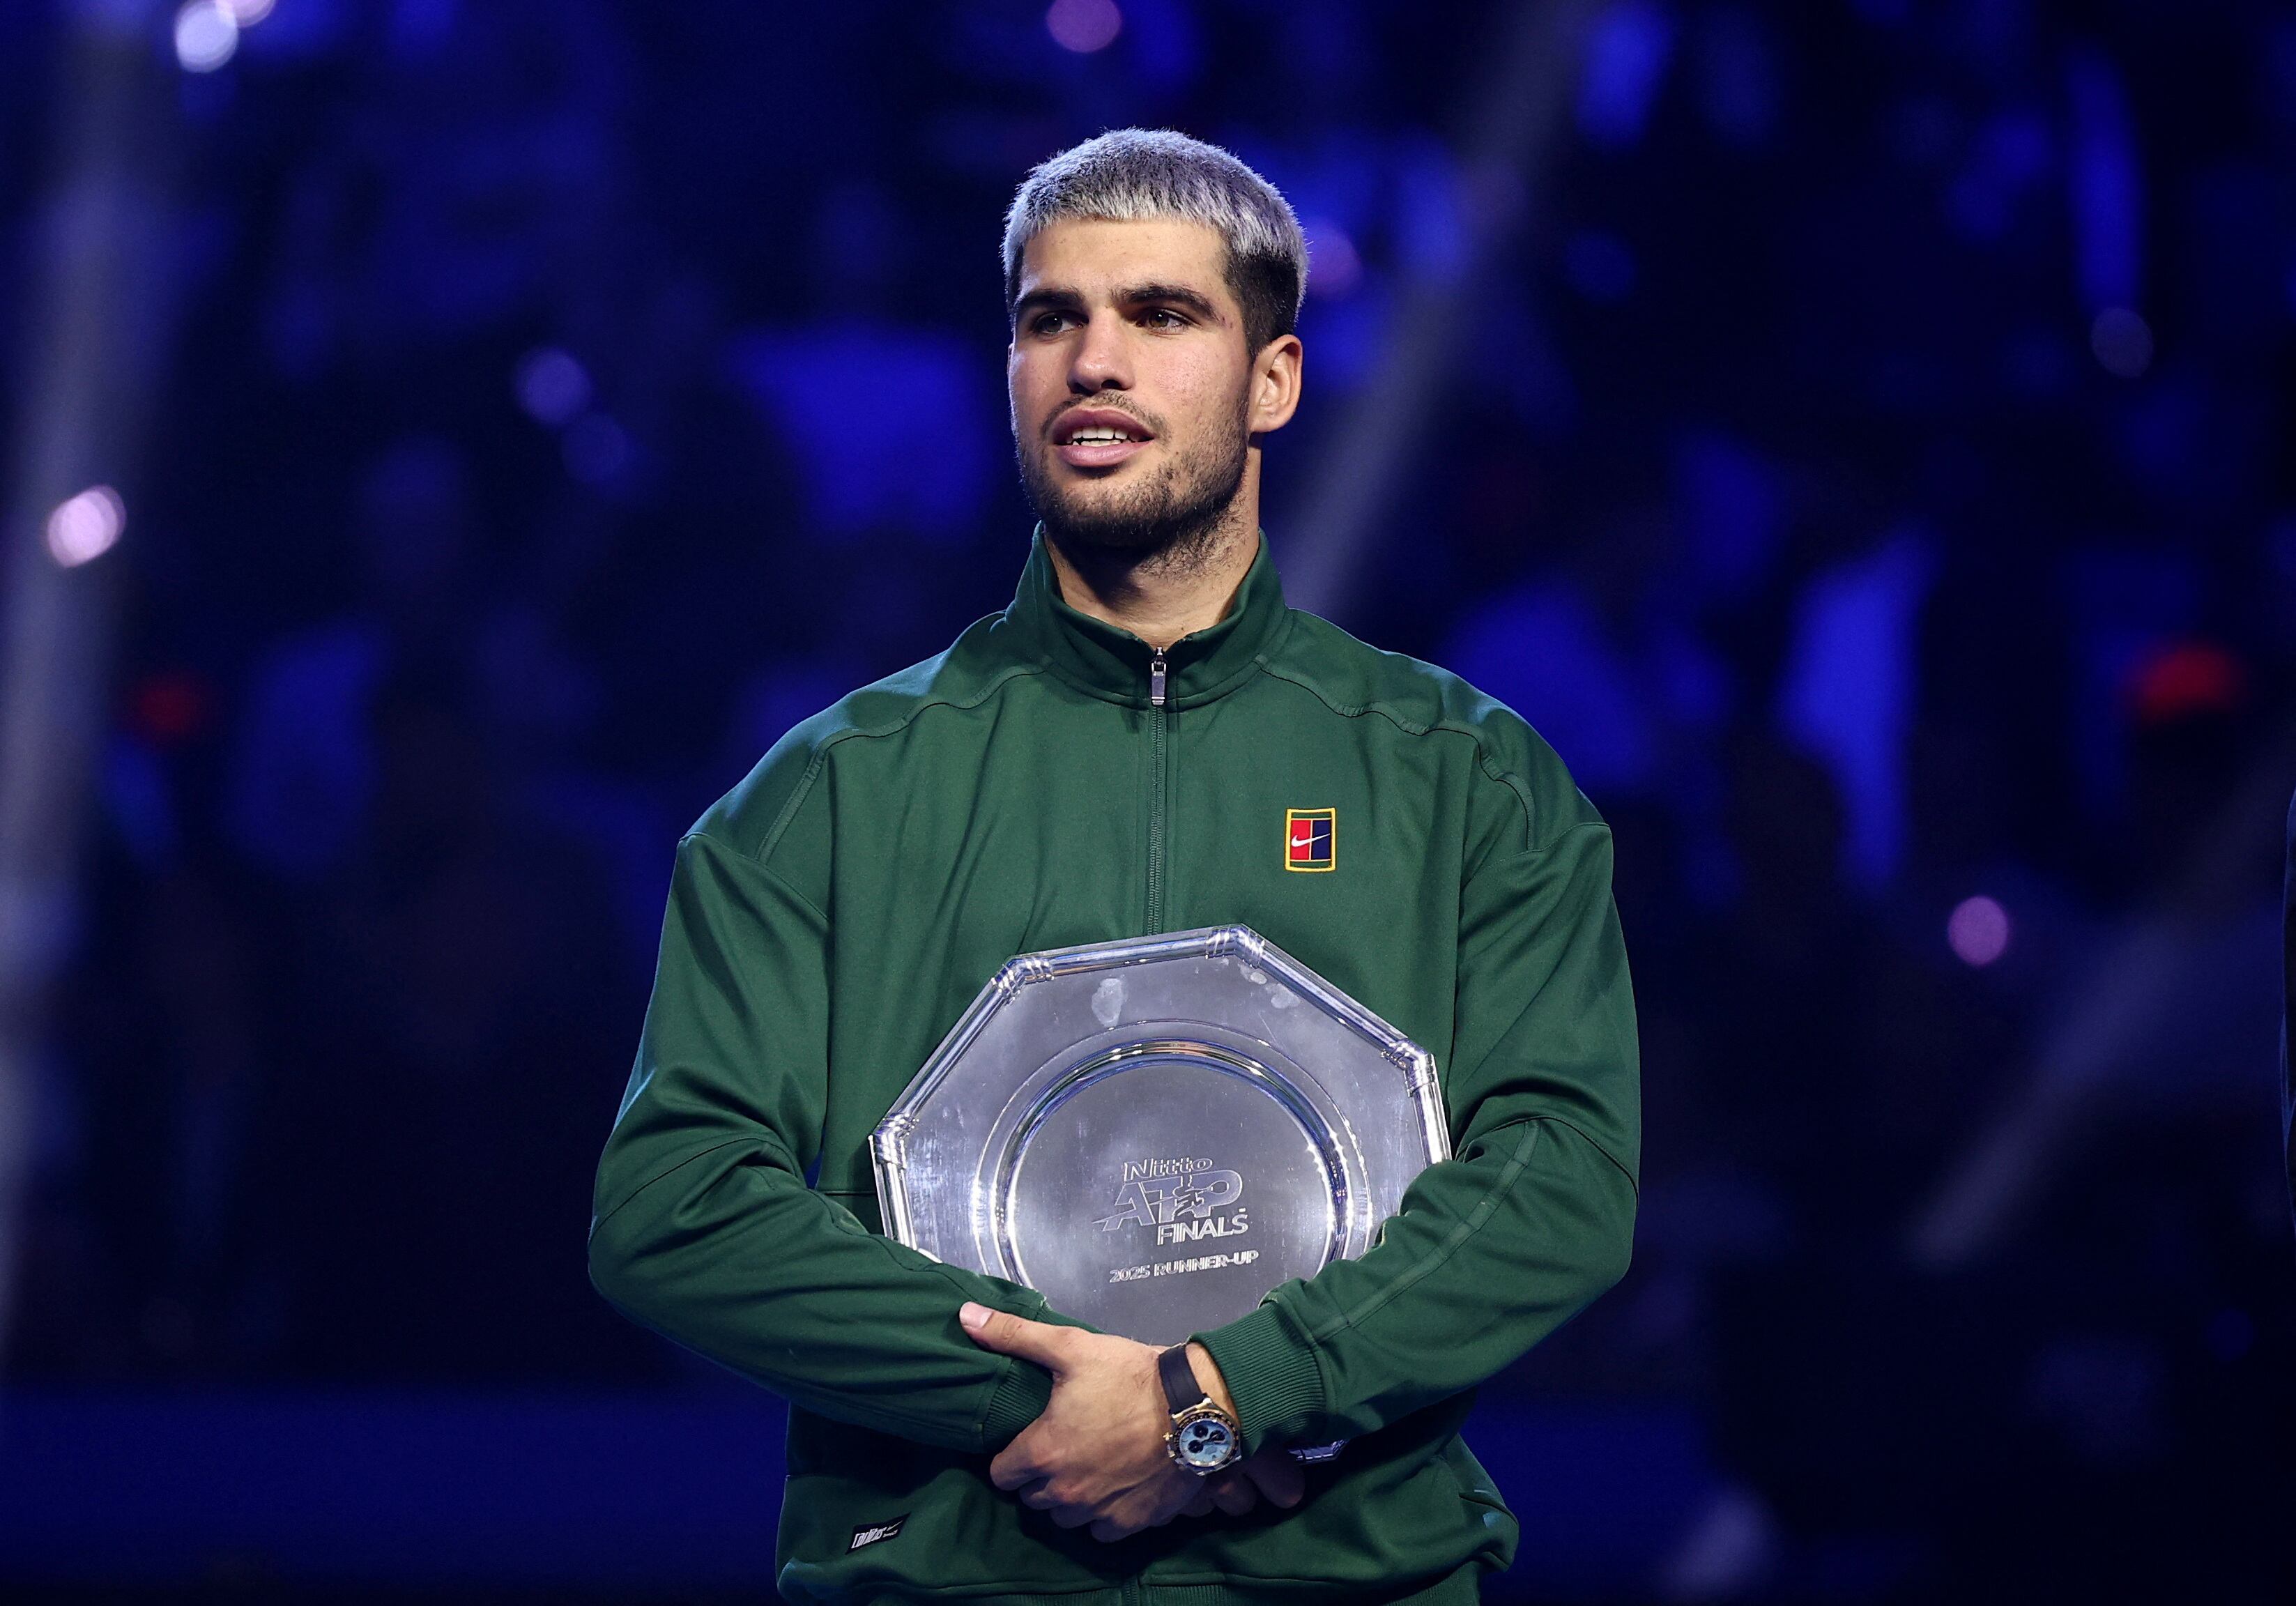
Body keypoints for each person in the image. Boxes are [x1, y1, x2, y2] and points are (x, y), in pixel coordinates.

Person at [588, 128, 1639, 1604]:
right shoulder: (825, 795)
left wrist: (1225, 1397)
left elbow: (1562, 1182)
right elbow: (675, 1205)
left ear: (1274, 377)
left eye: (1160, 314)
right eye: (1049, 318)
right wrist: (1071, 1412)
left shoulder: (1465, 778)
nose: (1094, 359)